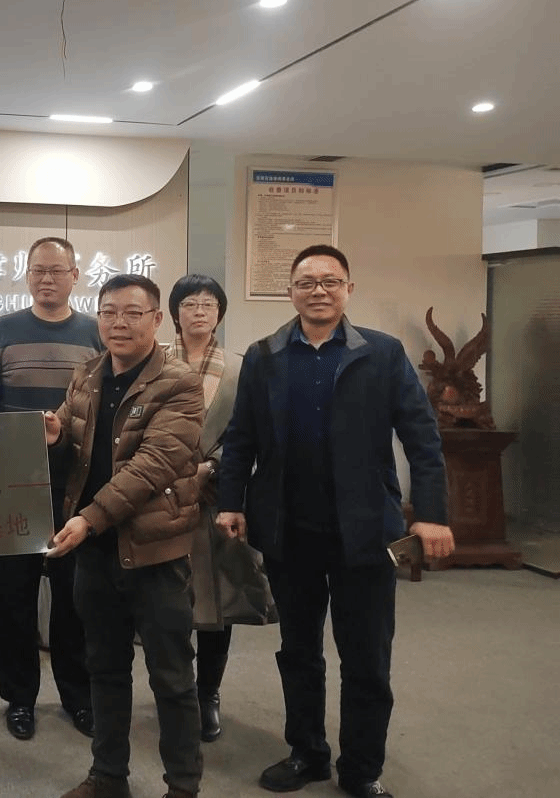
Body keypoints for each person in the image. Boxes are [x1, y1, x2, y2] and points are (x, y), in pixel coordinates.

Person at [215, 245, 455, 798]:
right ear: (290, 292)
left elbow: (422, 439)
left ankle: (362, 770)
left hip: (366, 532)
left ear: (349, 289)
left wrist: (431, 515)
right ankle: (307, 753)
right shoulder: (264, 356)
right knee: (298, 653)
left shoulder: (383, 353)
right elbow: (241, 438)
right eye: (306, 282)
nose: (318, 290)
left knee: (367, 659)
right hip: (289, 530)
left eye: (330, 280)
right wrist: (231, 502)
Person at [45, 273, 205, 798]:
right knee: (105, 669)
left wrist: (89, 518)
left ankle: (183, 786)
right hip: (95, 552)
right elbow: (70, 441)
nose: (119, 323)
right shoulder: (86, 374)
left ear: (157, 320)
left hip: (155, 551)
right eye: (109, 312)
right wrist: (53, 437)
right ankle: (108, 776)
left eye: (133, 313)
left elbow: (154, 464)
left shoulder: (180, 383)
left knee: (172, 677)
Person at [0, 236, 101, 741]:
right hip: (15, 484)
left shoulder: (94, 333)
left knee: (74, 597)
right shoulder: (3, 330)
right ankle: (19, 698)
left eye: (57, 270)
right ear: (27, 276)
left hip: (77, 485)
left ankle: (77, 695)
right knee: (13, 597)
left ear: (75, 275)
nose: (47, 279)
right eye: (38, 271)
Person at [166, 273, 274, 743]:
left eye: (209, 304)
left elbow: (249, 433)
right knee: (166, 602)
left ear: (220, 314)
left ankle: (208, 693)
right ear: (174, 313)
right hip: (161, 497)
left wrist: (211, 468)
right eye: (190, 303)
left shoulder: (239, 366)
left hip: (216, 498)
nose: (199, 311)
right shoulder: (155, 361)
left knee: (216, 601)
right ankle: (174, 692)